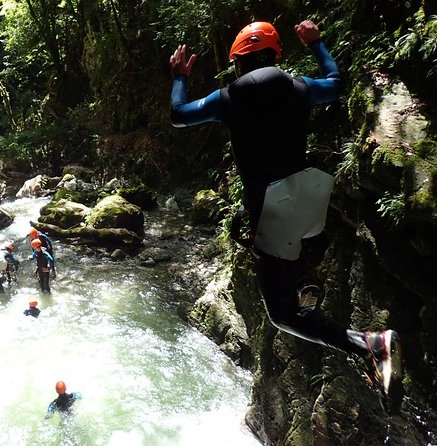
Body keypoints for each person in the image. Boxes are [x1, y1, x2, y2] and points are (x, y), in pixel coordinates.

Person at [169, 20, 403, 412]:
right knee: (291, 256)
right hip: (309, 196)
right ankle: (304, 278)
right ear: (276, 55)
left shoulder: (228, 98)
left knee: (282, 314)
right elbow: (336, 81)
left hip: (271, 213)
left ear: (239, 62)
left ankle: (370, 345)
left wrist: (179, 76)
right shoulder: (300, 89)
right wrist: (317, 43)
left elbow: (178, 114)